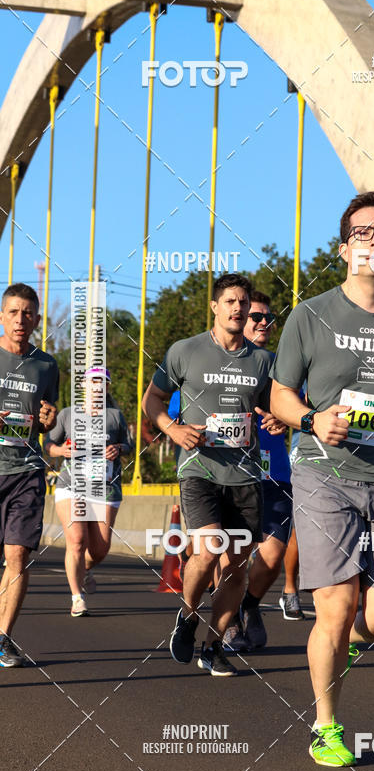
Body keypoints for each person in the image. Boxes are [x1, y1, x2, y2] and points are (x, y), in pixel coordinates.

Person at [270, 190, 374, 767]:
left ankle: (367, 618)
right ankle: (326, 726)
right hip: (325, 475)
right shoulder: (310, 314)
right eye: (364, 233)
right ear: (345, 248)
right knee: (335, 609)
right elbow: (280, 395)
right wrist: (314, 419)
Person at [142, 274, 286, 677]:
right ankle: (187, 615)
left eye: (243, 302)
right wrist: (171, 428)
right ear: (215, 307)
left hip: (244, 476)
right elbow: (151, 399)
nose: (238, 308)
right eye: (230, 302)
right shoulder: (185, 351)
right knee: (206, 553)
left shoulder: (263, 361)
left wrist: (278, 419)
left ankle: (213, 645)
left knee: (237, 566)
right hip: (200, 471)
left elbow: (279, 406)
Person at [225, 291, 295, 651]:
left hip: (274, 473)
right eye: (257, 317)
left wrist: (285, 416)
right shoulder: (217, 364)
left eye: (269, 318)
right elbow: (181, 410)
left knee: (272, 555)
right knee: (233, 554)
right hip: (229, 474)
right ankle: (230, 619)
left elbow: (303, 404)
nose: (264, 323)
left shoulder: (280, 365)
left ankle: (249, 604)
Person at [0, 283, 58, 667]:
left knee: (18, 555)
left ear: (37, 319)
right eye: (14, 312)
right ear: (2, 316)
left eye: (28, 313)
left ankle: (3, 638)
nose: (21, 320)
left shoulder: (47, 364)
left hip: (26, 470)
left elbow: (47, 419)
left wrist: (48, 420)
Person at [45, 367, 133, 616]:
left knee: (99, 549)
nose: (96, 386)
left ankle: (83, 567)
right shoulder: (67, 414)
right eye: (92, 382)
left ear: (107, 387)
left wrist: (118, 448)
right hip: (72, 485)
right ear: (83, 386)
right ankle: (77, 597)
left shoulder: (115, 416)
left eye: (101, 382)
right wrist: (61, 451)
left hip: (105, 487)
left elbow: (129, 445)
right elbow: (48, 444)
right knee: (76, 541)